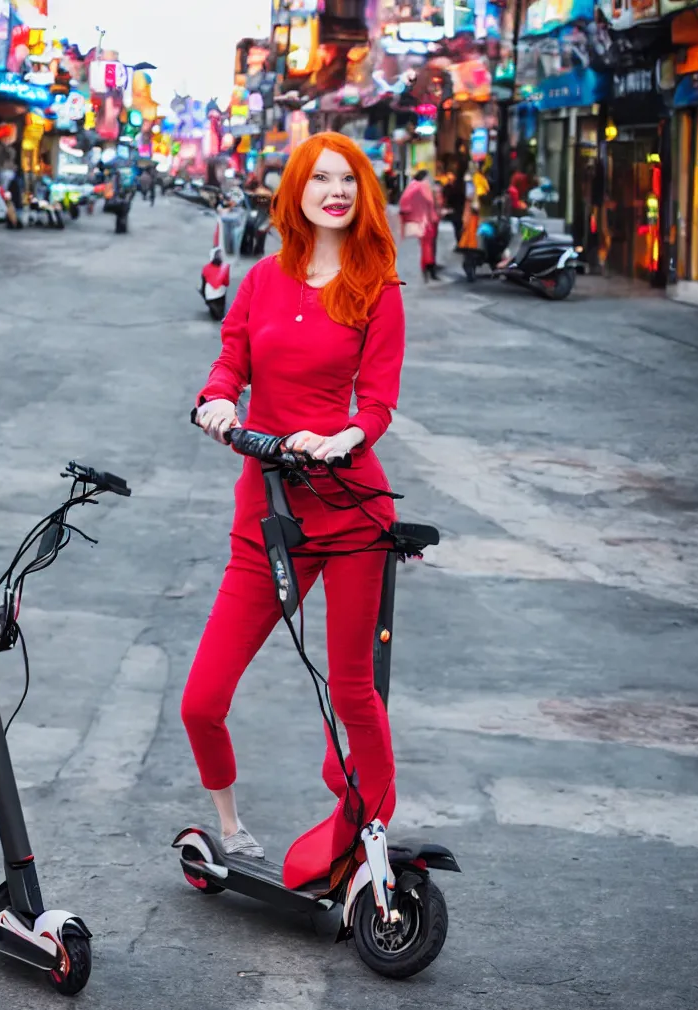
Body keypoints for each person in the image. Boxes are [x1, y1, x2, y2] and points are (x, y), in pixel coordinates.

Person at [184, 132, 404, 891]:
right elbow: (230, 361)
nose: (336, 191)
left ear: (362, 194)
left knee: (351, 689)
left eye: (349, 180)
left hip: (350, 510)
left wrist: (340, 437)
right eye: (322, 179)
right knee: (201, 700)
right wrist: (218, 401)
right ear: (298, 192)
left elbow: (376, 404)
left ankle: (370, 832)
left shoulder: (379, 284)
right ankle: (230, 830)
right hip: (269, 512)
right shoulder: (260, 281)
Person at [399, 169, 440, 282]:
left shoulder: (412, 186)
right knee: (428, 245)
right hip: (426, 221)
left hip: (420, 220)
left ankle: (427, 269)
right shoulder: (422, 187)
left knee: (426, 245)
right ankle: (429, 269)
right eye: (428, 177)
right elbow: (430, 202)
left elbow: (404, 203)